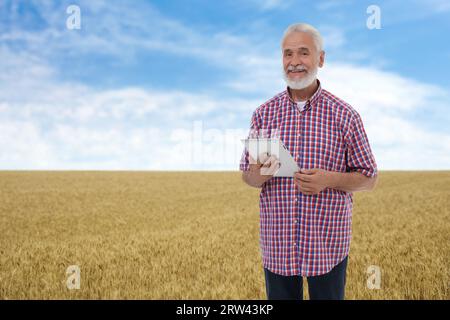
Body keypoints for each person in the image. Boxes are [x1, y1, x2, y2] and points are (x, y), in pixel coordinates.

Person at [239, 23, 378, 300]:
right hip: (278, 246)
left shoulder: (345, 115)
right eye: (287, 54)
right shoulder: (263, 114)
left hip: (327, 245)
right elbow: (248, 176)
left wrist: (328, 180)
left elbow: (370, 177)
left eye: (303, 53)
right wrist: (261, 173)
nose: (294, 62)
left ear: (320, 59)